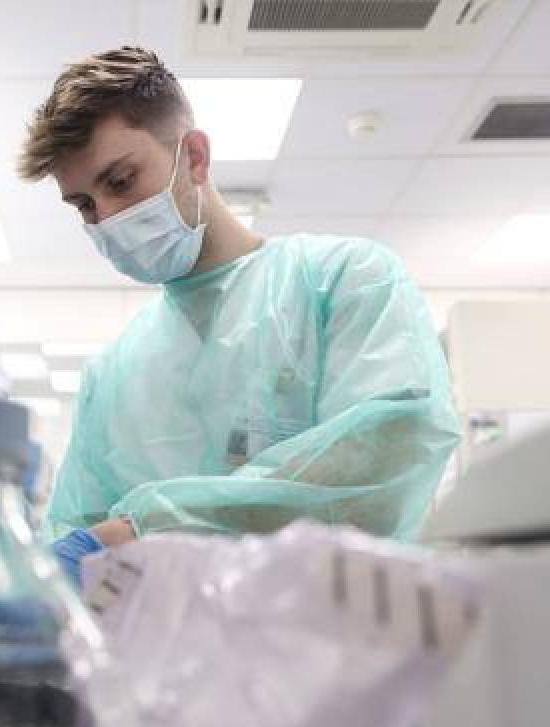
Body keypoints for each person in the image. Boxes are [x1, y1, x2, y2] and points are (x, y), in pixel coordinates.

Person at [25, 47, 461, 569]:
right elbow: (80, 541)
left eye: (121, 181)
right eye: (84, 205)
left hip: (335, 620)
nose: (107, 217)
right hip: (167, 628)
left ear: (195, 157)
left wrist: (150, 529)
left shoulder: (345, 281)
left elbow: (385, 463)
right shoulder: (112, 376)